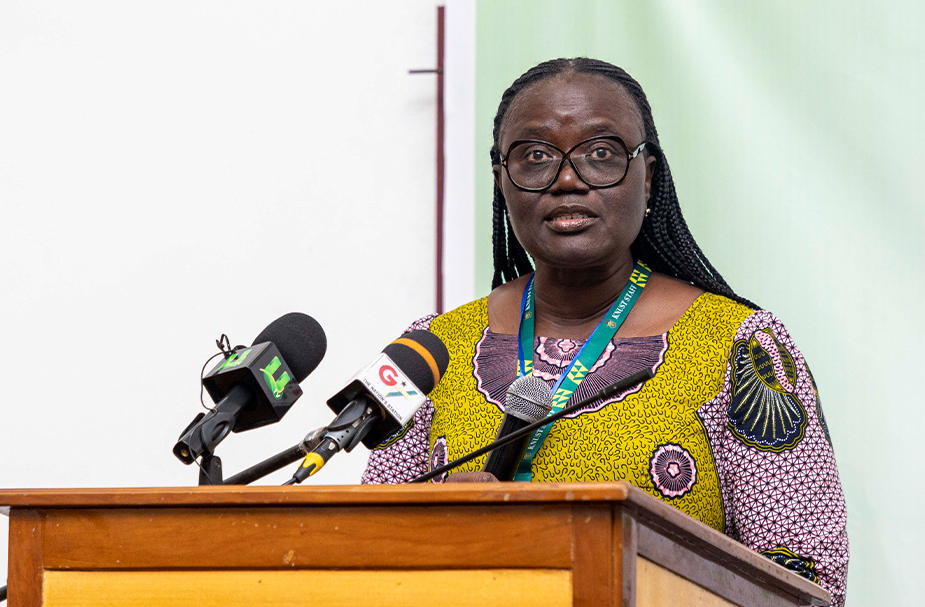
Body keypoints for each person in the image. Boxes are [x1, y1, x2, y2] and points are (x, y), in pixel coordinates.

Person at [362, 57, 848, 605]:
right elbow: (364, 554)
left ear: (649, 179)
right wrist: (432, 528)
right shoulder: (430, 348)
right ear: (501, 180)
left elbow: (807, 586)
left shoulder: (742, 347)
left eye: (601, 154)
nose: (567, 179)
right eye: (536, 155)